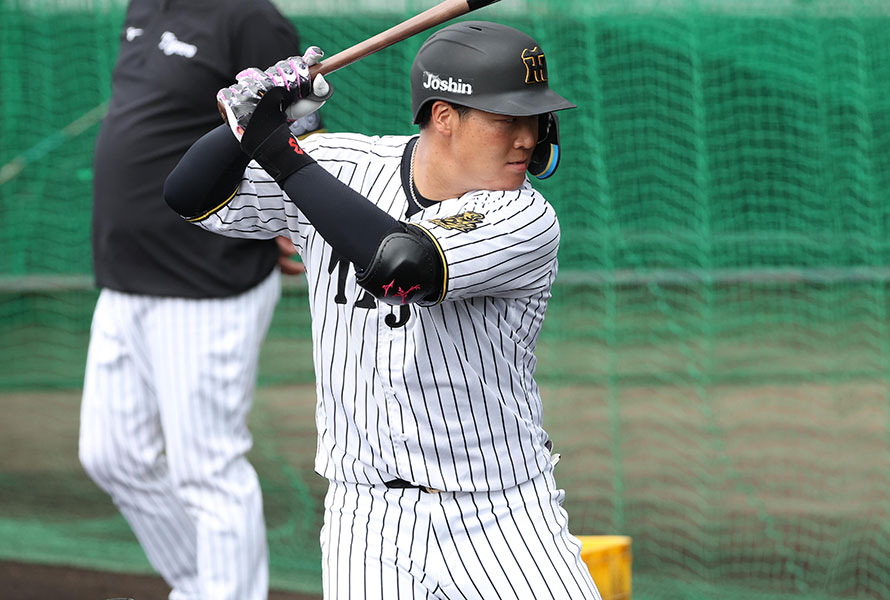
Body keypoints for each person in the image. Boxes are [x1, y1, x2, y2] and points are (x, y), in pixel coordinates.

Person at [165, 20, 601, 600]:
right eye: (507, 118)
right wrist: (252, 116)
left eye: (535, 118)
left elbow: (403, 269)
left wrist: (274, 144)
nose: (527, 137)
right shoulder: (338, 164)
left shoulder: (523, 217)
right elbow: (188, 196)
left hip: (501, 512)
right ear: (444, 116)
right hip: (365, 515)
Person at [77, 1, 320, 599]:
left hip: (208, 277)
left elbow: (297, 128)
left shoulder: (250, 18)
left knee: (206, 471)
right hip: (123, 274)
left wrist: (296, 222)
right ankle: (202, 587)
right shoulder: (144, 6)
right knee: (110, 457)